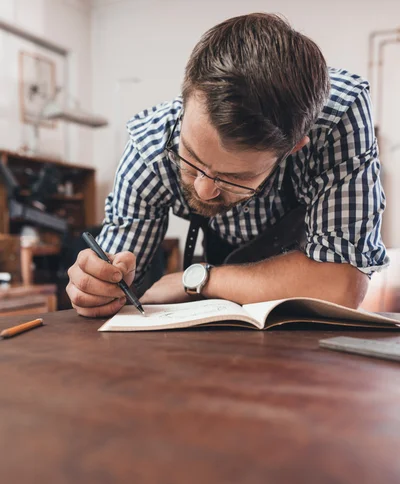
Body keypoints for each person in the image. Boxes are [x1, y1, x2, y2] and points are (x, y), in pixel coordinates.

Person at [67, 12, 388, 318]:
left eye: (235, 177)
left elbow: (340, 285)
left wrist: (197, 280)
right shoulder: (151, 148)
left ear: (294, 147)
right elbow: (110, 284)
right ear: (186, 96)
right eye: (190, 158)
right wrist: (96, 286)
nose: (203, 189)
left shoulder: (335, 122)